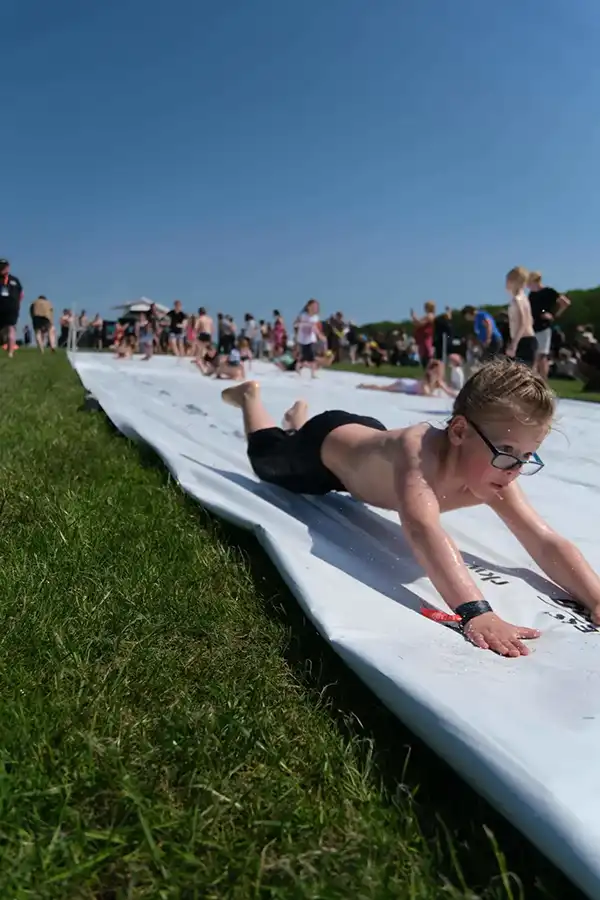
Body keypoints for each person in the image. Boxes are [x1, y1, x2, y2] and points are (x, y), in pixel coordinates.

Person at [222, 357, 600, 658]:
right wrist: (476, 611)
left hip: (363, 445)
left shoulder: (496, 474)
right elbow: (423, 528)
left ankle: (296, 419)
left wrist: (595, 598)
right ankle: (251, 398)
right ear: (458, 432)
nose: (515, 468)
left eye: (527, 456)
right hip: (323, 453)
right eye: (506, 453)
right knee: (267, 458)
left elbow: (544, 539)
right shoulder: (418, 455)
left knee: (347, 451)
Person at [527, 271, 571, 381]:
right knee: (535, 356)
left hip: (543, 327)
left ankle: (543, 382)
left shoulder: (548, 292)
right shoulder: (531, 295)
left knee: (540, 356)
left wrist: (554, 314)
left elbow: (565, 302)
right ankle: (535, 382)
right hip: (533, 327)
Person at [357, 359, 457, 397]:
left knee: (384, 387)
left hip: (409, 384)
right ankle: (365, 386)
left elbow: (449, 391)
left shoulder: (438, 381)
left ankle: (365, 385)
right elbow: (425, 393)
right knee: (383, 388)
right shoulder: (427, 379)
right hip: (403, 385)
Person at [505, 267, 536, 366]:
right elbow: (530, 320)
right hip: (527, 340)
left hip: (523, 341)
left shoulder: (517, 300)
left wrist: (514, 344)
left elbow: (523, 323)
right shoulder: (524, 298)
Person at [294, 299, 324, 378]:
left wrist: (320, 335)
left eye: (316, 307)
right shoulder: (303, 315)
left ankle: (313, 374)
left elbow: (315, 328)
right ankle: (298, 368)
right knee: (303, 358)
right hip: (302, 339)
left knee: (313, 356)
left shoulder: (316, 317)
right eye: (313, 306)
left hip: (311, 339)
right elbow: (295, 324)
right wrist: (304, 324)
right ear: (308, 307)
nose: (315, 308)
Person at [0, 259, 23, 359]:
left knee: (10, 329)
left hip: (10, 307)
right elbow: (21, 294)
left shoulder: (15, 280)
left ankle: (10, 351)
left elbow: (21, 294)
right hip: (10, 306)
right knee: (10, 329)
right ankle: (10, 352)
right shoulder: (15, 280)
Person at [410, 301, 435, 367]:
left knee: (426, 355)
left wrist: (414, 316)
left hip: (426, 337)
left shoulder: (430, 316)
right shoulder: (428, 316)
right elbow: (417, 323)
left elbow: (419, 323)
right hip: (422, 338)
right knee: (423, 355)